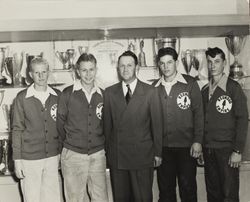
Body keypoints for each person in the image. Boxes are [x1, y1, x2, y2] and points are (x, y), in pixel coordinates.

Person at [103, 50, 163, 202]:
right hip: (118, 158)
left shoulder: (150, 91)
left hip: (142, 157)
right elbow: (107, 127)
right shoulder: (110, 93)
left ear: (137, 67)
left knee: (142, 198)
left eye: (129, 65)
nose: (125, 69)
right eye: (122, 66)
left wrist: (158, 153)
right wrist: (109, 154)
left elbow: (157, 125)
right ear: (118, 68)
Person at [152, 47, 204, 202]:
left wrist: (197, 141)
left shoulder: (190, 83)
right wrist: (155, 149)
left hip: (186, 147)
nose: (166, 66)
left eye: (169, 62)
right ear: (158, 66)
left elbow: (199, 114)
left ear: (176, 63)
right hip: (163, 149)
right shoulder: (153, 88)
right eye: (162, 63)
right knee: (166, 191)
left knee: (188, 189)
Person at [57, 53, 108, 202]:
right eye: (84, 70)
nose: (88, 74)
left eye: (91, 69)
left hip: (98, 155)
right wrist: (69, 145)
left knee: (101, 198)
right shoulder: (67, 94)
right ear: (77, 71)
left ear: (96, 70)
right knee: (74, 199)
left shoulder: (103, 95)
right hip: (73, 155)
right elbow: (60, 124)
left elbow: (106, 125)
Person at [202, 47, 248, 202]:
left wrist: (237, 150)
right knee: (213, 194)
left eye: (217, 61)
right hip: (209, 150)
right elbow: (202, 121)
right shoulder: (204, 90)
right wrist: (203, 147)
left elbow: (242, 119)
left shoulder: (233, 88)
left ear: (224, 64)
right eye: (209, 62)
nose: (212, 65)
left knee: (229, 194)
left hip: (227, 151)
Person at [12, 57, 61, 202]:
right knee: (32, 198)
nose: (41, 76)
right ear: (30, 74)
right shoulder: (22, 98)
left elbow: (63, 127)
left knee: (52, 198)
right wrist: (17, 160)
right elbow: (17, 129)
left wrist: (61, 153)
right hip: (29, 159)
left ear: (48, 73)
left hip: (52, 157)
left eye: (44, 72)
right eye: (37, 72)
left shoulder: (58, 95)